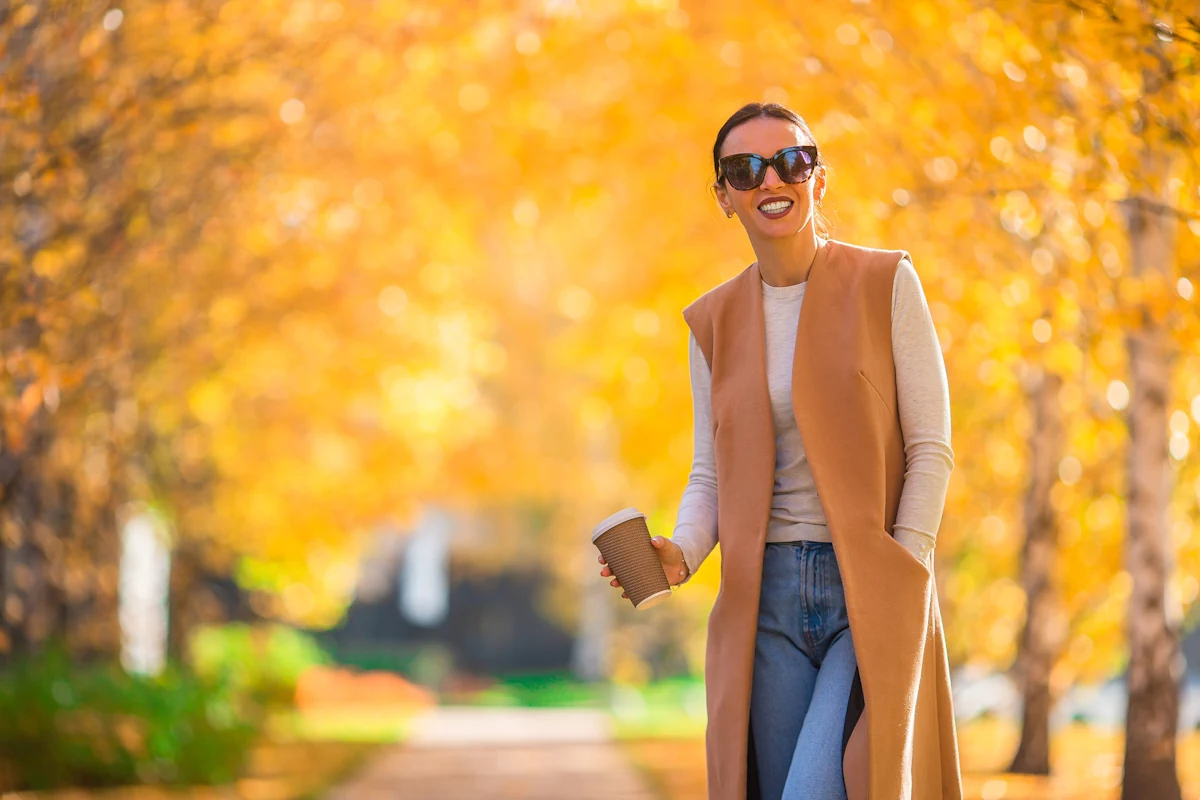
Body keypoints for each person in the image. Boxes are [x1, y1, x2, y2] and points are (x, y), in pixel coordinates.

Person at [598, 102, 963, 800]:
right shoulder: (713, 321)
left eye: (791, 160)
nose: (772, 178)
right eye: (745, 168)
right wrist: (680, 552)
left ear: (818, 179)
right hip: (763, 599)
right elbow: (710, 470)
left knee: (822, 787)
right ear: (724, 196)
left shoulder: (885, 282)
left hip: (869, 588)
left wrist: (901, 568)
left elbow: (931, 447)